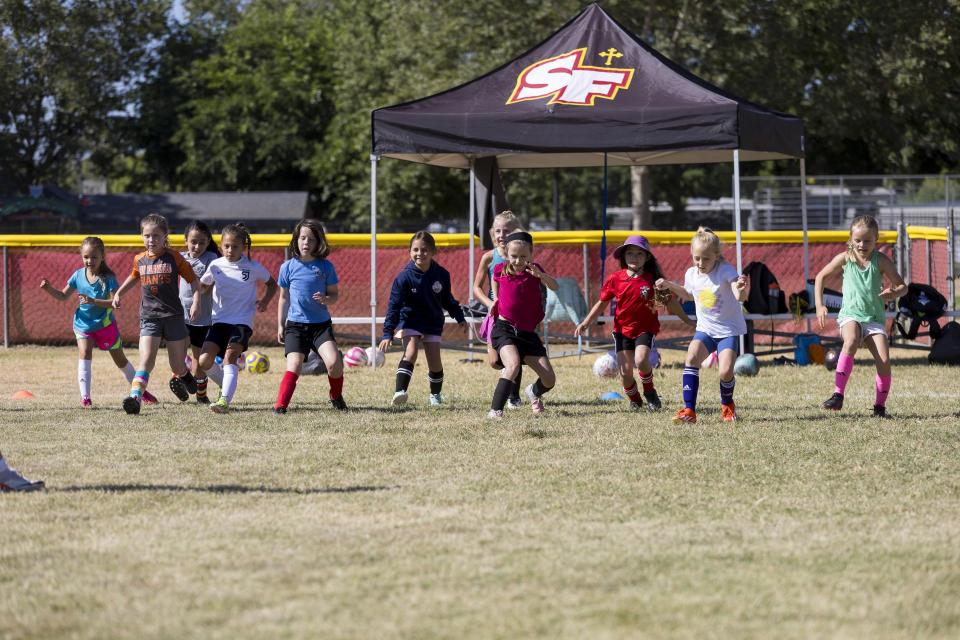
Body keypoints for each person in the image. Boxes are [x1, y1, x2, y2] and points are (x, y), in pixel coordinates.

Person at [575, 235, 694, 411]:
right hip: (622, 331)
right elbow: (602, 303)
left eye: (639, 253)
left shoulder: (653, 280)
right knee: (625, 372)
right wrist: (586, 322)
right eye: (630, 253)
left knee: (641, 360)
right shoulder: (615, 279)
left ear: (647, 257)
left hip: (645, 329)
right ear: (623, 256)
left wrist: (686, 319)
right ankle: (635, 400)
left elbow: (670, 303)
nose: (634, 257)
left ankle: (650, 393)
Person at [40, 236, 158, 408]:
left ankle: (139, 390)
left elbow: (115, 302)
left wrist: (93, 301)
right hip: (83, 325)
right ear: (81, 257)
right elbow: (63, 296)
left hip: (105, 326)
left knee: (120, 360)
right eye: (86, 257)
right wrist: (48, 289)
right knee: (85, 353)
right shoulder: (78, 275)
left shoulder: (108, 278)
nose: (90, 260)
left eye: (94, 257)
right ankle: (86, 398)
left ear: (102, 256)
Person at [655, 227, 748, 423]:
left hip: (727, 331)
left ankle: (727, 406)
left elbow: (739, 295)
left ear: (716, 255)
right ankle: (689, 411)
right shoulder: (692, 273)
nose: (700, 263)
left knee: (725, 372)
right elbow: (689, 294)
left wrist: (741, 289)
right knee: (691, 357)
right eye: (696, 258)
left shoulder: (725, 270)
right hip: (705, 330)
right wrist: (670, 285)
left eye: (705, 259)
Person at [815, 215, 906, 417]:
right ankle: (838, 395)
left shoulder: (881, 261)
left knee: (884, 360)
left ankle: (879, 408)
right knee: (852, 340)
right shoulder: (845, 258)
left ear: (876, 240)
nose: (862, 245)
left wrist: (894, 293)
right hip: (851, 315)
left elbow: (903, 287)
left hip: (873, 320)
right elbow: (820, 276)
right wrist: (819, 305)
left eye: (867, 241)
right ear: (850, 239)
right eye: (857, 240)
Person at [113, 213, 201, 414]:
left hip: (173, 317)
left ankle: (185, 375)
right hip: (149, 317)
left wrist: (196, 303)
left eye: (156, 236)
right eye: (146, 236)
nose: (151, 240)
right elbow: (134, 276)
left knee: (177, 365)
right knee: (146, 361)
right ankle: (135, 398)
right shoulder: (139, 259)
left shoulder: (174, 257)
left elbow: (193, 281)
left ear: (165, 236)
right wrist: (119, 293)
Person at [195, 223, 277, 414]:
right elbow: (204, 285)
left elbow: (272, 284)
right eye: (226, 246)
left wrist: (264, 301)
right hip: (219, 321)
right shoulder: (215, 266)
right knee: (204, 361)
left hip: (241, 322)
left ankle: (224, 400)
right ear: (221, 246)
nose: (230, 250)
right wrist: (196, 297)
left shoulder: (252, 267)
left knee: (230, 357)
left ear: (244, 247)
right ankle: (228, 384)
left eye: (235, 246)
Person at [379, 231, 466, 406]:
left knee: (434, 361)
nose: (420, 253)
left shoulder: (442, 274)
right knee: (410, 353)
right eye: (415, 250)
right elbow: (394, 306)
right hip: (410, 321)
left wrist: (459, 316)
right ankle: (400, 392)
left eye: (425, 250)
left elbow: (447, 300)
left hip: (433, 322)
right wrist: (388, 332)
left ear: (434, 251)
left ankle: (435, 395)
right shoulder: (403, 278)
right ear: (410, 252)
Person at [274, 218, 347, 413]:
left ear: (318, 243)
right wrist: (281, 325)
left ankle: (336, 396)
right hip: (296, 326)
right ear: (296, 240)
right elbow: (283, 298)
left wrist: (326, 299)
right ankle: (280, 406)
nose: (306, 243)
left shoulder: (325, 267)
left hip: (321, 326)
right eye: (302, 238)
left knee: (334, 364)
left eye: (311, 239)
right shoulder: (287, 267)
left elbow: (334, 295)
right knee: (295, 365)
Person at [486, 231, 558, 419]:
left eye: (523, 256)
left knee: (550, 379)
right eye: (514, 256)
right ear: (507, 254)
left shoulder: (535, 271)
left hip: (528, 333)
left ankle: (533, 392)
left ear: (531, 254)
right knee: (513, 365)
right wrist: (495, 299)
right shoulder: (500, 269)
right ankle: (495, 410)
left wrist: (541, 275)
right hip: (505, 329)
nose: (518, 260)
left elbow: (555, 286)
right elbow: (495, 281)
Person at [472, 211, 525, 408]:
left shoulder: (521, 256)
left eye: (507, 231)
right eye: (498, 231)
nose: (502, 235)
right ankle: (509, 376)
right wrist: (489, 303)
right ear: (492, 233)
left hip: (516, 317)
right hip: (495, 315)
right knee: (495, 361)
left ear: (516, 232)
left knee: (514, 357)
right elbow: (476, 287)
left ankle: (514, 396)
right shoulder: (489, 257)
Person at [179, 221, 223, 404]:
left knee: (198, 361)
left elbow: (206, 286)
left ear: (208, 242)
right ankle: (181, 380)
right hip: (181, 317)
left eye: (202, 243)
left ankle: (201, 395)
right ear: (186, 240)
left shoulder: (212, 258)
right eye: (193, 242)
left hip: (202, 320)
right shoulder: (179, 258)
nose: (197, 246)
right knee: (178, 358)